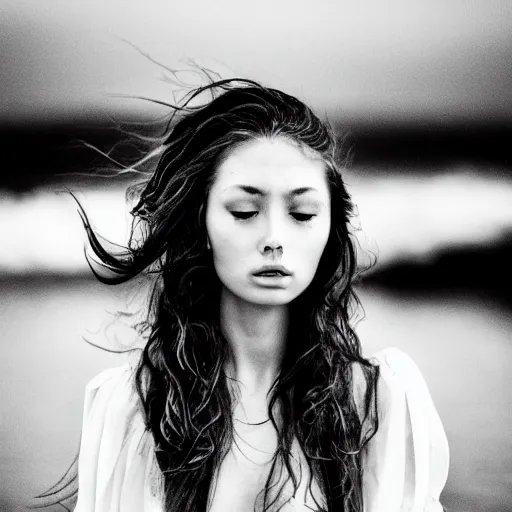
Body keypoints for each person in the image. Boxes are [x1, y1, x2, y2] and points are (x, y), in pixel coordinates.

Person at [38, 76, 449, 512]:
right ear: (201, 222)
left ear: (331, 229)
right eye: (245, 211)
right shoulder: (132, 410)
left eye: (302, 213)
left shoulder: (376, 405)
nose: (274, 237)